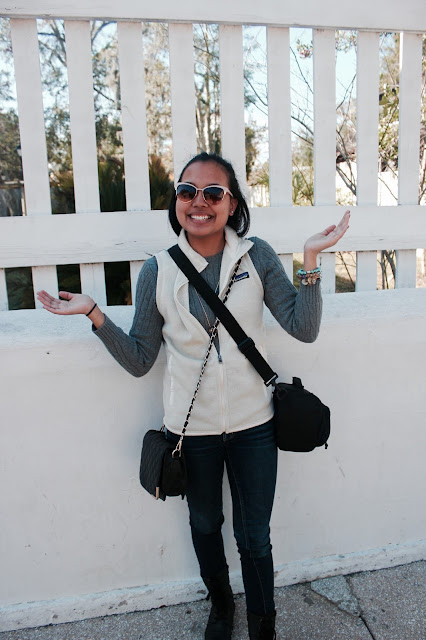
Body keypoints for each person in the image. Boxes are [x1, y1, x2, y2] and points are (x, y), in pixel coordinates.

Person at [37, 152, 350, 640]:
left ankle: (264, 625)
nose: (198, 202)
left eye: (213, 193)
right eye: (187, 191)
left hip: (254, 426)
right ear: (176, 201)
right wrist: (94, 313)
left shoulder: (256, 255)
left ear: (231, 204)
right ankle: (222, 609)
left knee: (254, 538)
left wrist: (310, 259)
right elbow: (141, 358)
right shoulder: (157, 271)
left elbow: (303, 327)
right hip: (190, 432)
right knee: (205, 526)